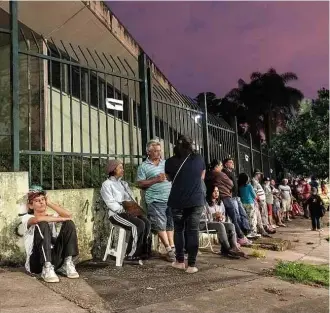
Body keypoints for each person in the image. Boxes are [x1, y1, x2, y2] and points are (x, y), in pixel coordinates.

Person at [21, 186, 79, 283]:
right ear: (30, 206)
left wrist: (50, 203)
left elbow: (68, 216)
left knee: (69, 223)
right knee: (42, 224)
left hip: (54, 259)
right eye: (37, 200)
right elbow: (38, 219)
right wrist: (61, 219)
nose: (41, 202)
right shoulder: (26, 218)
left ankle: (67, 263)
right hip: (36, 263)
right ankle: (46, 267)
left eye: (43, 199)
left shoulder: (51, 217)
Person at [165, 136, 205, 274]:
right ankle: (192, 265)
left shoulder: (169, 162)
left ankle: (180, 261)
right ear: (191, 145)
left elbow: (169, 178)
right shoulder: (199, 158)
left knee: (179, 229)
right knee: (193, 230)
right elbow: (201, 176)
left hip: (177, 200)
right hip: (196, 199)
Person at [101, 160, 151, 265]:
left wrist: (133, 207)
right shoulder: (107, 184)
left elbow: (129, 199)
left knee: (146, 222)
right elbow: (110, 202)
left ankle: (142, 251)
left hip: (127, 211)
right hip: (116, 214)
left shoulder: (123, 184)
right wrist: (122, 209)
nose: (123, 170)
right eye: (120, 168)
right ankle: (132, 254)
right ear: (113, 170)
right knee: (137, 225)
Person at [136, 140, 174, 262]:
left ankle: (172, 247)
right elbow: (140, 183)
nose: (158, 153)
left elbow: (173, 176)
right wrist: (156, 179)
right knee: (160, 225)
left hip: (170, 198)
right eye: (155, 151)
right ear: (149, 152)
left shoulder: (166, 163)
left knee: (170, 224)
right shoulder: (143, 166)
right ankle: (168, 249)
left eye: (159, 150)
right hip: (155, 200)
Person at [205, 159, 252, 247]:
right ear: (217, 166)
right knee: (233, 218)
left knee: (223, 219)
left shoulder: (208, 174)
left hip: (215, 198)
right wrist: (226, 188)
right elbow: (231, 184)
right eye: (221, 165)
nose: (222, 167)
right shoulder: (220, 174)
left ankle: (232, 240)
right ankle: (240, 237)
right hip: (225, 197)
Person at [202, 185, 247, 259]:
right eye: (214, 191)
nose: (216, 193)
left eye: (217, 191)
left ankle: (234, 247)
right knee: (221, 226)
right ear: (210, 192)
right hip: (208, 224)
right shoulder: (206, 204)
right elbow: (204, 218)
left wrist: (221, 218)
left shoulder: (220, 203)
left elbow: (223, 216)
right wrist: (213, 215)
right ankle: (228, 249)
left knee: (231, 225)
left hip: (218, 223)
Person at [222, 158, 251, 235]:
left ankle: (246, 229)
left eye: (232, 162)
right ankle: (241, 231)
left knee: (243, 213)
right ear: (225, 164)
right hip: (231, 197)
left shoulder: (232, 172)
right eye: (230, 162)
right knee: (237, 214)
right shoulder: (224, 173)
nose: (232, 163)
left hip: (236, 196)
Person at [237, 173, 261, 239]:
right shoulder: (249, 186)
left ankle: (248, 231)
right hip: (250, 203)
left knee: (246, 217)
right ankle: (253, 232)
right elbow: (254, 195)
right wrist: (258, 199)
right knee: (252, 217)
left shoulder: (240, 186)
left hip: (243, 203)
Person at [251, 170, 275, 234]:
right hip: (260, 200)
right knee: (263, 214)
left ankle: (265, 226)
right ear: (257, 174)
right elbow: (254, 191)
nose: (260, 175)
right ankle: (265, 227)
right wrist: (258, 200)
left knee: (264, 213)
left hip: (262, 200)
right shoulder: (254, 181)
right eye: (259, 174)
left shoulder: (256, 181)